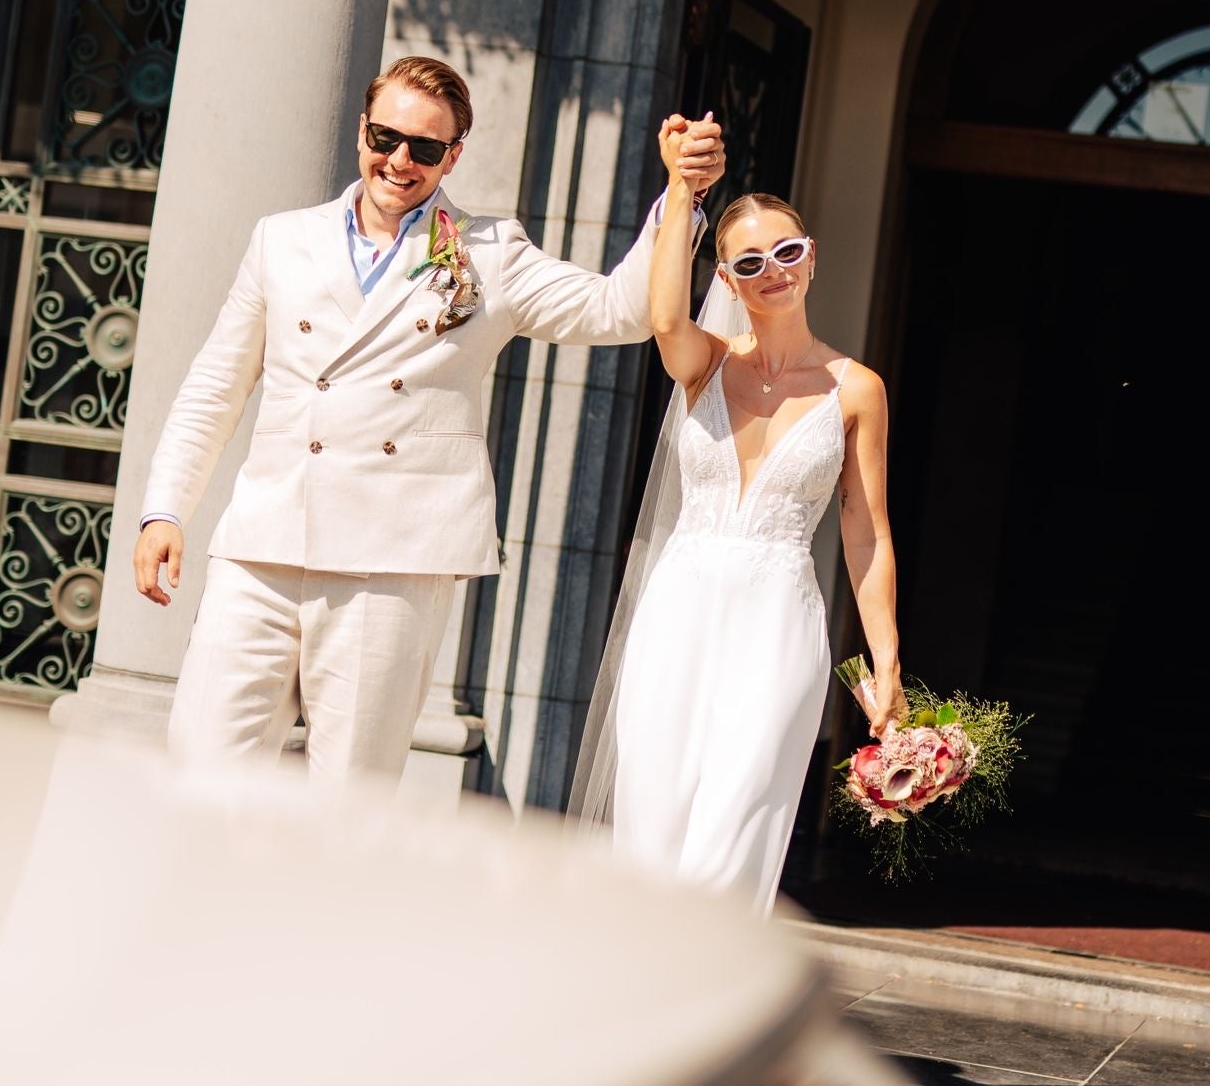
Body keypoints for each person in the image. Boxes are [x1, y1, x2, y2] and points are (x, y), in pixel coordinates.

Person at [131, 56, 725, 783]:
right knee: (198, 773)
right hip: (262, 549)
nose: (399, 160)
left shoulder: (490, 252)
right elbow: (215, 384)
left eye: (425, 147)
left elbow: (620, 311)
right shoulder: (281, 239)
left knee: (346, 798)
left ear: (454, 156)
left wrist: (679, 195)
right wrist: (165, 509)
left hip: (392, 561)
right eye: (386, 137)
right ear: (362, 131)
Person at [580, 119, 908, 915]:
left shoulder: (857, 389)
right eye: (751, 263)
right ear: (726, 279)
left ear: (812, 256)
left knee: (736, 824)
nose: (774, 272)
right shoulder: (705, 364)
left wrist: (888, 661)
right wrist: (681, 189)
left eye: (786, 252)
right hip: (678, 613)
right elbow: (664, 318)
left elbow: (865, 532)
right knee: (651, 824)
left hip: (777, 626)